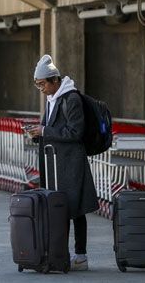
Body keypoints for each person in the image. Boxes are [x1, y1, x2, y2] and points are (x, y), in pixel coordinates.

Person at [26, 55, 99, 271]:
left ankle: (81, 256)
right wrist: (37, 133)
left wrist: (45, 131)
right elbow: (48, 128)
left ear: (54, 80)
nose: (40, 89)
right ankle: (59, 253)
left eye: (41, 84)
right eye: (37, 85)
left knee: (76, 210)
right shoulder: (52, 99)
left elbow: (75, 132)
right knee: (59, 209)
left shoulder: (71, 99)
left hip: (71, 164)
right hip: (56, 164)